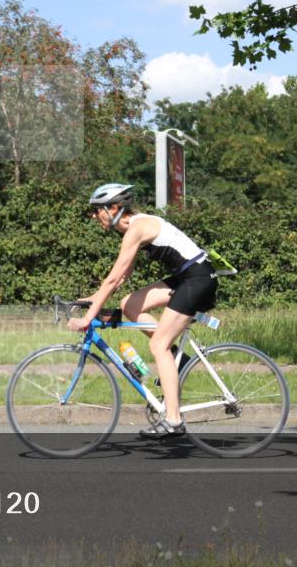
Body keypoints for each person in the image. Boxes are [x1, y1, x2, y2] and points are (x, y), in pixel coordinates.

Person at [67, 184, 219, 439]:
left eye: (97, 210)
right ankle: (177, 358)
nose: (93, 216)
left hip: (198, 279)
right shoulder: (132, 228)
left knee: (157, 345)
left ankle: (173, 420)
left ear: (114, 208)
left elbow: (112, 279)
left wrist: (87, 317)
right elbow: (122, 275)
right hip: (187, 277)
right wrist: (93, 300)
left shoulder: (136, 228)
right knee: (130, 305)